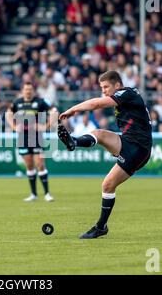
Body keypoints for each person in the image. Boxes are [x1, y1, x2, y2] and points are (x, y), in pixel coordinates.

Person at [58, 70, 152, 239]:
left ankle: (100, 227)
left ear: (117, 84)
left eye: (106, 87)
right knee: (99, 134)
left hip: (138, 149)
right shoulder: (126, 95)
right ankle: (73, 142)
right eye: (102, 87)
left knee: (107, 185)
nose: (104, 91)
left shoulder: (126, 93)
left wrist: (73, 109)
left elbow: (96, 104)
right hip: (129, 142)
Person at [6, 82, 55, 202]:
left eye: (30, 89)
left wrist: (46, 126)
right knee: (29, 165)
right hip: (23, 137)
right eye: (26, 89)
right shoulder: (17, 103)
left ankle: (47, 193)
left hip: (37, 136)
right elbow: (8, 113)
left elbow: (54, 111)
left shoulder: (40, 102)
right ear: (22, 91)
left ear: (33, 90)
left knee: (40, 163)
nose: (28, 91)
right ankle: (33, 194)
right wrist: (13, 127)